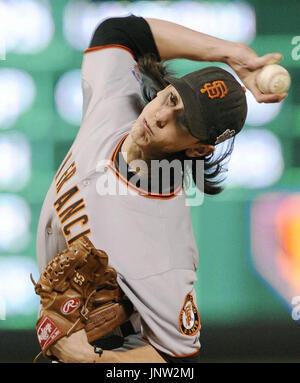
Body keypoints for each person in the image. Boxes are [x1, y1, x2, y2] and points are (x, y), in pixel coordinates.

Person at [35, 15, 286, 363]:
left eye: (183, 121)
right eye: (171, 99)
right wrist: (228, 53)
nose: (162, 116)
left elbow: (177, 364)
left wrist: (87, 359)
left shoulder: (165, 252)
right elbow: (121, 32)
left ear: (198, 149)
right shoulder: (116, 102)